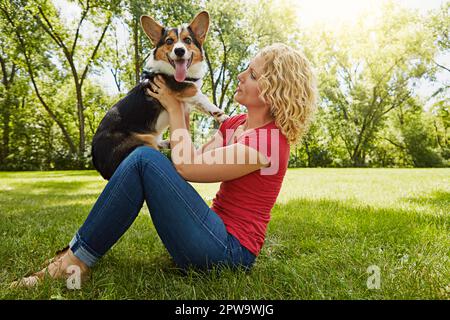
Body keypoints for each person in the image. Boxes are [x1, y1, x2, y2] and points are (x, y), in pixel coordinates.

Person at [12, 43, 317, 287]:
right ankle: (76, 256)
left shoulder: (269, 143)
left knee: (145, 157)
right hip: (208, 234)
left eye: (251, 74)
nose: (240, 76)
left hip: (229, 252)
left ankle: (74, 262)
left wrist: (172, 105)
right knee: (144, 160)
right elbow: (192, 156)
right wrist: (177, 105)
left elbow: (185, 168)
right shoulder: (236, 124)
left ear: (273, 89)